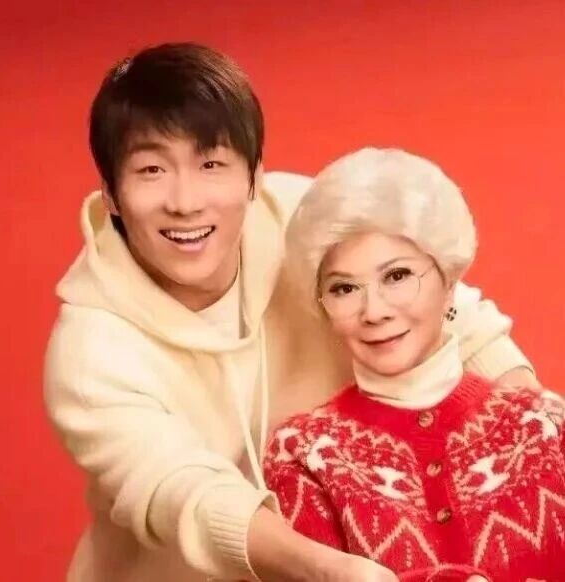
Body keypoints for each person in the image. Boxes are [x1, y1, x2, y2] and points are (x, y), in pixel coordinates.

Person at [44, 43, 536, 582]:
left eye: (211, 164)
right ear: (112, 195)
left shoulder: (302, 221)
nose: (185, 202)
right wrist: (328, 570)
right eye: (152, 169)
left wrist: (538, 439)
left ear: (254, 176)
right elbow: (187, 494)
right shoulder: (90, 351)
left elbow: (456, 318)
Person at [263, 147, 564, 581]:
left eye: (397, 276)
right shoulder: (304, 454)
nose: (374, 311)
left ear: (449, 281)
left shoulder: (544, 427)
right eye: (345, 288)